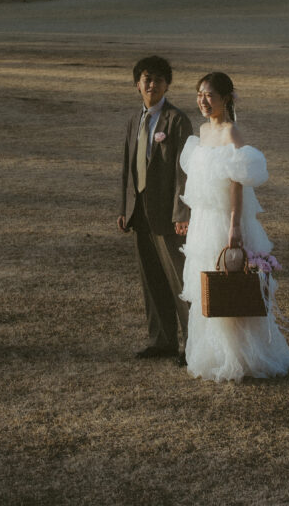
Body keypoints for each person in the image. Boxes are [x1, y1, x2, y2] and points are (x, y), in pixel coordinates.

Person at [179, 72, 289, 382]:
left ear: (226, 99)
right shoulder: (202, 132)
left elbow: (237, 184)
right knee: (208, 285)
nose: (204, 101)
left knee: (232, 284)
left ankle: (242, 356)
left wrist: (234, 226)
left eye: (210, 96)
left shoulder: (232, 133)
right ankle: (215, 355)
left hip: (226, 218)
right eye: (200, 95)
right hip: (204, 219)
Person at [118, 55, 193, 362]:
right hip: (140, 213)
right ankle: (161, 340)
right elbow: (128, 167)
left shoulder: (177, 120)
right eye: (147, 79)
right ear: (138, 84)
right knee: (152, 280)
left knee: (180, 282)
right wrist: (124, 207)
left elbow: (183, 171)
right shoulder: (135, 120)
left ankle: (193, 346)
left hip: (168, 215)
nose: (152, 84)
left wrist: (182, 213)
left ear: (167, 85)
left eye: (159, 79)